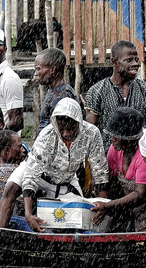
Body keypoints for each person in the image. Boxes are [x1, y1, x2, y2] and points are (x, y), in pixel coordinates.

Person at [21, 98, 107, 232]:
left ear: (78, 123)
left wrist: (103, 205)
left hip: (66, 178)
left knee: (72, 218)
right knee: (12, 188)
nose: (66, 134)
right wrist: (28, 214)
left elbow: (100, 171)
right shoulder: (47, 135)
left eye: (70, 129)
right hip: (40, 176)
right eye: (62, 129)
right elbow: (31, 176)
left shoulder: (91, 133)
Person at [90, 107, 146, 232]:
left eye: (116, 136)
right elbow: (111, 179)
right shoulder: (115, 148)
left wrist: (109, 205)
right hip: (129, 205)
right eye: (111, 135)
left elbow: (140, 194)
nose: (112, 138)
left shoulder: (145, 156)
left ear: (130, 139)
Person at [84, 40, 146, 151]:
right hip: (108, 155)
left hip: (140, 154)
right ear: (114, 62)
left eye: (136, 59)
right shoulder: (97, 91)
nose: (135, 64)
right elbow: (91, 132)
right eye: (129, 60)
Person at [34, 47, 78, 138]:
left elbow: (63, 134)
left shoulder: (62, 97)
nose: (35, 73)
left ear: (52, 70)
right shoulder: (55, 91)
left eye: (38, 69)